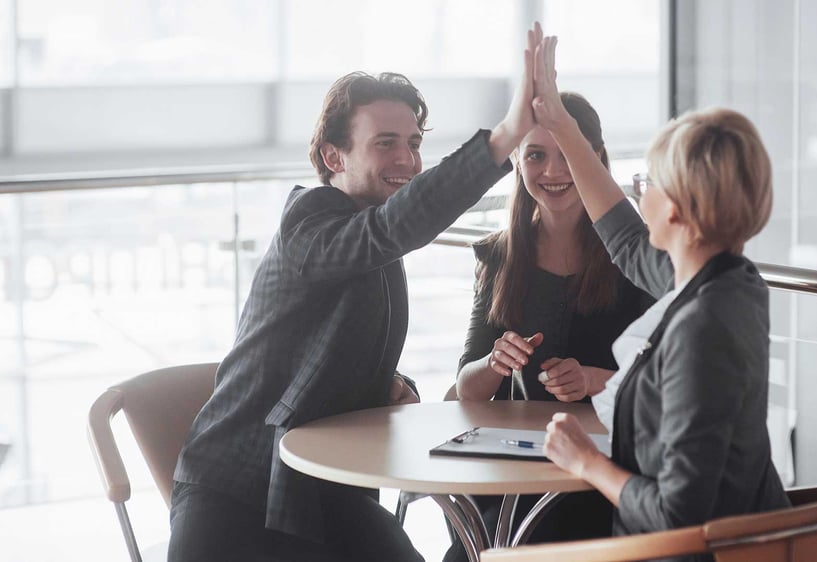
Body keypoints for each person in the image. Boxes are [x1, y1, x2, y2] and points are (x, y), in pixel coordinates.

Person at [168, 24, 550, 562]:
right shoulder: (311, 221)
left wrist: (389, 384)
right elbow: (396, 226)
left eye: (414, 143)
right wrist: (504, 137)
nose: (408, 160)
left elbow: (343, 336)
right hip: (240, 491)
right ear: (333, 157)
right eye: (386, 143)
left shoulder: (369, 236)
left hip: (322, 490)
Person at [531, 38, 791, 562]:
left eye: (645, 181)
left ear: (673, 210)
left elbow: (681, 516)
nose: (635, 193)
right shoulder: (725, 280)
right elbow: (625, 239)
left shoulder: (704, 325)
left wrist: (584, 462)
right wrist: (560, 122)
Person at [444, 92, 653, 561]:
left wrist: (595, 380)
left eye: (568, 153)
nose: (553, 171)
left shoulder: (635, 258)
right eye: (536, 154)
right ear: (517, 160)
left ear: (595, 158)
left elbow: (662, 380)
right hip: (515, 472)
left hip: (603, 469)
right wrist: (494, 362)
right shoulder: (497, 256)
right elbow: (466, 389)